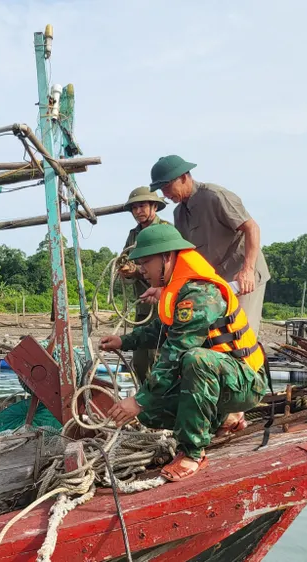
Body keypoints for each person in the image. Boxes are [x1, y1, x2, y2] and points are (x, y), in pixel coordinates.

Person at [99, 224, 268, 482]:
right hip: (221, 380)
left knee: (194, 360)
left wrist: (138, 399)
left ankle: (193, 453)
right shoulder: (178, 290)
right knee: (150, 413)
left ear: (168, 256)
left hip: (245, 382)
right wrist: (123, 342)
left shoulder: (200, 293)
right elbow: (160, 330)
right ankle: (225, 417)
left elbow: (176, 350)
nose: (142, 269)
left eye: (146, 262)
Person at [148, 155, 270, 334]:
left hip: (242, 277)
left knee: (241, 334)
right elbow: (183, 257)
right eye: (161, 189)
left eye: (167, 187)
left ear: (183, 177)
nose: (165, 194)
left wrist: (248, 270)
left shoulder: (216, 196)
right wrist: (162, 286)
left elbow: (252, 228)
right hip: (216, 282)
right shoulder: (179, 214)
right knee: (216, 336)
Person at [118, 186, 170, 384]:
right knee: (140, 361)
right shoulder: (133, 235)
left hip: (164, 303)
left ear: (154, 207)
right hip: (144, 305)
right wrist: (126, 270)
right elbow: (125, 261)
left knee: (158, 357)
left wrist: (138, 271)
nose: (138, 211)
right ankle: (145, 402)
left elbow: (170, 267)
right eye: (134, 208)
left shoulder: (166, 230)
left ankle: (160, 403)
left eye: (142, 206)